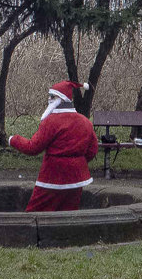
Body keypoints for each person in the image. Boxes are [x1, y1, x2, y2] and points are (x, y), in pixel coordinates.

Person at [10, 80, 99, 212]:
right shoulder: (85, 122)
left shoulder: (51, 122)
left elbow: (33, 148)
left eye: (52, 97)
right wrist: (77, 161)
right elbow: (92, 149)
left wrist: (13, 140)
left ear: (60, 99)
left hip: (53, 175)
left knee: (35, 212)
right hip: (77, 175)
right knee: (68, 214)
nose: (49, 100)